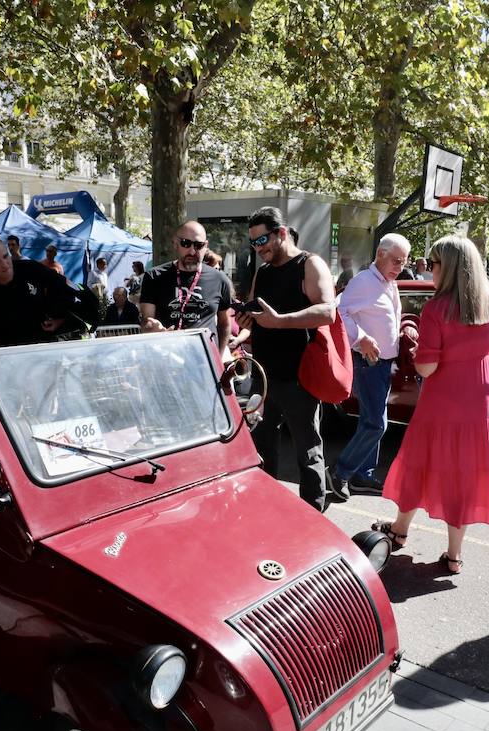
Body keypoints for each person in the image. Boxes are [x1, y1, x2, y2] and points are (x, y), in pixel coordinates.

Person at [373, 235, 489, 574]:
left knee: (422, 463)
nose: (429, 269)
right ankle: (454, 555)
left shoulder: (436, 309)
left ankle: (399, 530)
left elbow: (427, 368)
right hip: (479, 401)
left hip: (443, 401)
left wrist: (419, 349)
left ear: (448, 267)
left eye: (432, 263)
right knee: (464, 474)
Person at [239, 206, 335, 511]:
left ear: (281, 233)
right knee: (262, 449)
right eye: (253, 242)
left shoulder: (309, 264)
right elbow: (256, 313)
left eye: (263, 239)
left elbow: (327, 312)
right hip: (264, 379)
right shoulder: (263, 272)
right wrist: (245, 321)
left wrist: (280, 320)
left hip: (299, 378)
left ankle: (313, 517)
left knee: (308, 452)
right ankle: (267, 511)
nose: (259, 247)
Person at [328, 234, 410, 500]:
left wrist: (404, 327)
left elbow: (388, 317)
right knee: (376, 424)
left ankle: (363, 474)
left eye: (403, 262)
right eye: (396, 261)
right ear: (380, 254)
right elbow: (338, 314)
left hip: (382, 363)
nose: (399, 267)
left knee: (370, 421)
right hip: (369, 362)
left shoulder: (388, 283)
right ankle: (340, 472)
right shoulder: (365, 281)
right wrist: (360, 337)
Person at [0, 235, 98, 347]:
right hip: (12, 358)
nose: (5, 264)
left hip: (45, 349)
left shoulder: (30, 268)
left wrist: (61, 320)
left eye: (6, 256)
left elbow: (69, 289)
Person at [138, 219, 233, 355]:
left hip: (204, 361)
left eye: (198, 245)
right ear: (175, 243)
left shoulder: (219, 279)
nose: (192, 251)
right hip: (166, 356)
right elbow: (147, 321)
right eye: (185, 243)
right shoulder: (154, 277)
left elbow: (225, 324)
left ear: (206, 246)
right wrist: (151, 328)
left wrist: (219, 357)